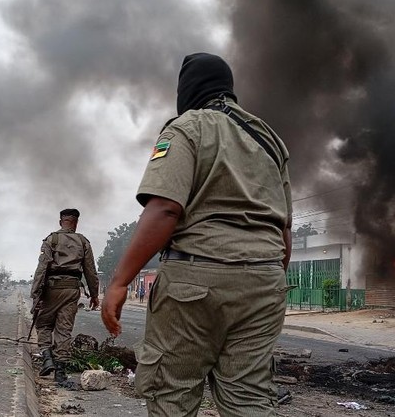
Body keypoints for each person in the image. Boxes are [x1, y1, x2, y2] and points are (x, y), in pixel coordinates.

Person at [101, 53, 293, 416]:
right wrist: (265, 280)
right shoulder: (270, 139)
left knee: (172, 393)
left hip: (195, 281)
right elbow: (284, 227)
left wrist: (120, 281)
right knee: (249, 398)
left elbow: (164, 209)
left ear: (188, 88)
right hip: (265, 281)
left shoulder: (186, 128)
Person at [31, 208, 100, 383]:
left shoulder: (51, 239)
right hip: (72, 289)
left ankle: (47, 358)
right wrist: (94, 295)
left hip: (51, 288)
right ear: (76, 223)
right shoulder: (83, 242)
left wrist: (35, 294)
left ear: (61, 221)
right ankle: (60, 372)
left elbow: (41, 269)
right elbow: (90, 271)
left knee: (44, 324)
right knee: (64, 329)